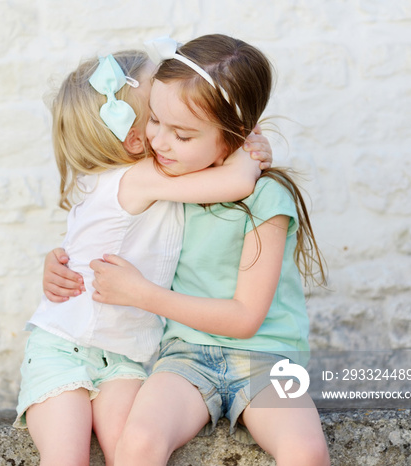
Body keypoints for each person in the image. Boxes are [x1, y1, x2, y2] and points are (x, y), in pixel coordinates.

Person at [44, 34, 331, 465]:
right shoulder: (164, 182)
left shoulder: (264, 198)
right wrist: (59, 263)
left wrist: (142, 294)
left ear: (234, 137)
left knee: (305, 449)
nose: (158, 141)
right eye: (153, 119)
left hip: (266, 358)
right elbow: (102, 229)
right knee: (137, 442)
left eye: (181, 133)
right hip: (185, 355)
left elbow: (246, 318)